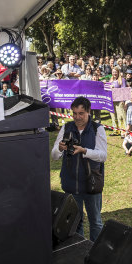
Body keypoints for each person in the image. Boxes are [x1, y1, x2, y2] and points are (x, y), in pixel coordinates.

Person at [51, 97, 107, 242]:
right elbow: (54, 156)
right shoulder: (66, 127)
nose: (77, 117)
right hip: (71, 184)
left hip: (91, 184)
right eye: (74, 113)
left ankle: (95, 252)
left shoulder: (97, 129)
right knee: (76, 223)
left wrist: (84, 151)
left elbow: (102, 156)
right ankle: (80, 251)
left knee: (95, 222)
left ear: (89, 112)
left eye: (81, 113)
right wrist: (59, 148)